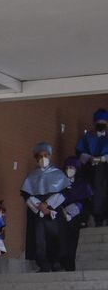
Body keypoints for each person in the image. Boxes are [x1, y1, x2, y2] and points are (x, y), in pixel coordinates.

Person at [22, 143, 70, 273]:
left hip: (53, 209)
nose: (43, 158)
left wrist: (48, 205)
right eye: (40, 156)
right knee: (39, 238)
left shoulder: (58, 173)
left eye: (45, 155)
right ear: (36, 159)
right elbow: (26, 194)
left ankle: (56, 262)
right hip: (37, 210)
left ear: (49, 156)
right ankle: (43, 264)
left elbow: (65, 191)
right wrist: (39, 206)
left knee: (55, 235)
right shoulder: (31, 176)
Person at [73, 107, 108, 227]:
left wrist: (103, 158)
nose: (101, 125)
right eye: (99, 123)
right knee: (91, 193)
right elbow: (79, 151)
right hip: (91, 170)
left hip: (105, 169)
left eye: (103, 123)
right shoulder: (88, 137)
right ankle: (92, 217)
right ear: (94, 123)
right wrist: (89, 157)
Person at [59, 155, 94, 273]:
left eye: (72, 168)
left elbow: (86, 201)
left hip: (75, 217)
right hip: (60, 215)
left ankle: (70, 263)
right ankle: (60, 261)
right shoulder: (60, 183)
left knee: (72, 240)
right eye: (68, 167)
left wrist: (75, 211)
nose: (70, 170)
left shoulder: (82, 184)